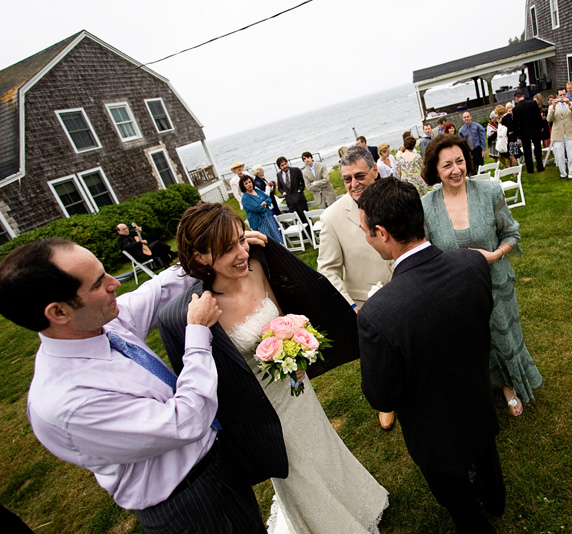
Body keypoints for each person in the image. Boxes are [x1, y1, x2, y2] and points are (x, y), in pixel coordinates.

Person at [0, 234, 287, 534]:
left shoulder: (98, 324)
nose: (115, 283)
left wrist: (214, 250)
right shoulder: (68, 403)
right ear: (59, 312)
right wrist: (198, 335)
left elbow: (158, 290)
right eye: (98, 283)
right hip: (192, 502)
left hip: (219, 466)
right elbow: (185, 421)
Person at [159, 203, 388, 534]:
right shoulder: (203, 311)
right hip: (261, 410)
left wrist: (296, 347)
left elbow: (282, 319)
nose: (241, 252)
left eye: (241, 240)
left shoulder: (256, 266)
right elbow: (212, 379)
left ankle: (356, 502)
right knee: (298, 471)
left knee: (323, 446)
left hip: (296, 384)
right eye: (227, 249)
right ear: (200, 258)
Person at [358, 178, 505, 533]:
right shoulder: (472, 266)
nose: (365, 237)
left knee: (456, 498)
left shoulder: (377, 314)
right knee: (486, 455)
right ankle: (496, 500)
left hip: (433, 431)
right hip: (477, 399)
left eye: (365, 230)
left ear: (382, 233)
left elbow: (382, 395)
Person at [421, 134, 543, 416]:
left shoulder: (490, 192)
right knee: (473, 344)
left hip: (496, 283)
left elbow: (511, 233)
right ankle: (483, 386)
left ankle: (510, 385)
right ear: (435, 170)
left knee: (503, 337)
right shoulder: (426, 206)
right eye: (447, 165)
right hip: (456, 293)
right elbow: (427, 251)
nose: (456, 170)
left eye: (460, 161)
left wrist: (495, 255)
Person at [316, 146, 395, 430]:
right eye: (347, 179)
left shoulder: (395, 196)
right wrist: (351, 307)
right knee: (381, 363)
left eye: (359, 176)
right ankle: (387, 402)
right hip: (367, 305)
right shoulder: (332, 218)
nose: (353, 184)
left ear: (374, 171)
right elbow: (327, 270)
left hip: (407, 290)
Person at [547, 87, 572, 180]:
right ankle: (563, 173)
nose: (562, 97)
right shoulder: (551, 107)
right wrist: (553, 107)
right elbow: (549, 119)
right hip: (558, 133)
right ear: (557, 96)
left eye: (564, 95)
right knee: (559, 155)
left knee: (571, 154)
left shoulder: (571, 104)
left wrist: (569, 103)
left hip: (570, 131)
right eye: (560, 95)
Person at [240, 175, 284, 245]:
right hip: (259, 222)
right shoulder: (245, 198)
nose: (249, 184)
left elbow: (268, 198)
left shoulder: (257, 190)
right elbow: (257, 208)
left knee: (276, 235)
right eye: (246, 183)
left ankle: (283, 250)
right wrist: (264, 204)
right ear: (243, 186)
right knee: (267, 239)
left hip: (269, 217)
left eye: (249, 182)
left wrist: (265, 202)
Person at [513, 90, 545, 173]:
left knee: (527, 150)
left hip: (524, 132)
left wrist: (518, 134)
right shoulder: (533, 103)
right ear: (523, 96)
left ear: (516, 99)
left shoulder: (516, 109)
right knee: (537, 148)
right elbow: (538, 116)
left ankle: (530, 168)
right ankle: (540, 166)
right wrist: (540, 126)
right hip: (535, 129)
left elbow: (516, 123)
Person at [275, 156, 310, 228]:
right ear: (279, 167)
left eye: (285, 164)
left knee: (306, 219)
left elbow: (303, 182)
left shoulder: (295, 170)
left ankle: (312, 234)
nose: (285, 166)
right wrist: (283, 193)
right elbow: (280, 187)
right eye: (282, 165)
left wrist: (300, 189)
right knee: (298, 221)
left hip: (300, 200)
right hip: (290, 202)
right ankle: (304, 236)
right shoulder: (279, 175)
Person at [503, 102, 520, 167]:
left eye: (511, 110)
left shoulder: (512, 118)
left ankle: (515, 171)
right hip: (510, 138)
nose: (510, 111)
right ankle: (511, 167)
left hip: (512, 139)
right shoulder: (507, 118)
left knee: (511, 156)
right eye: (508, 110)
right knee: (511, 156)